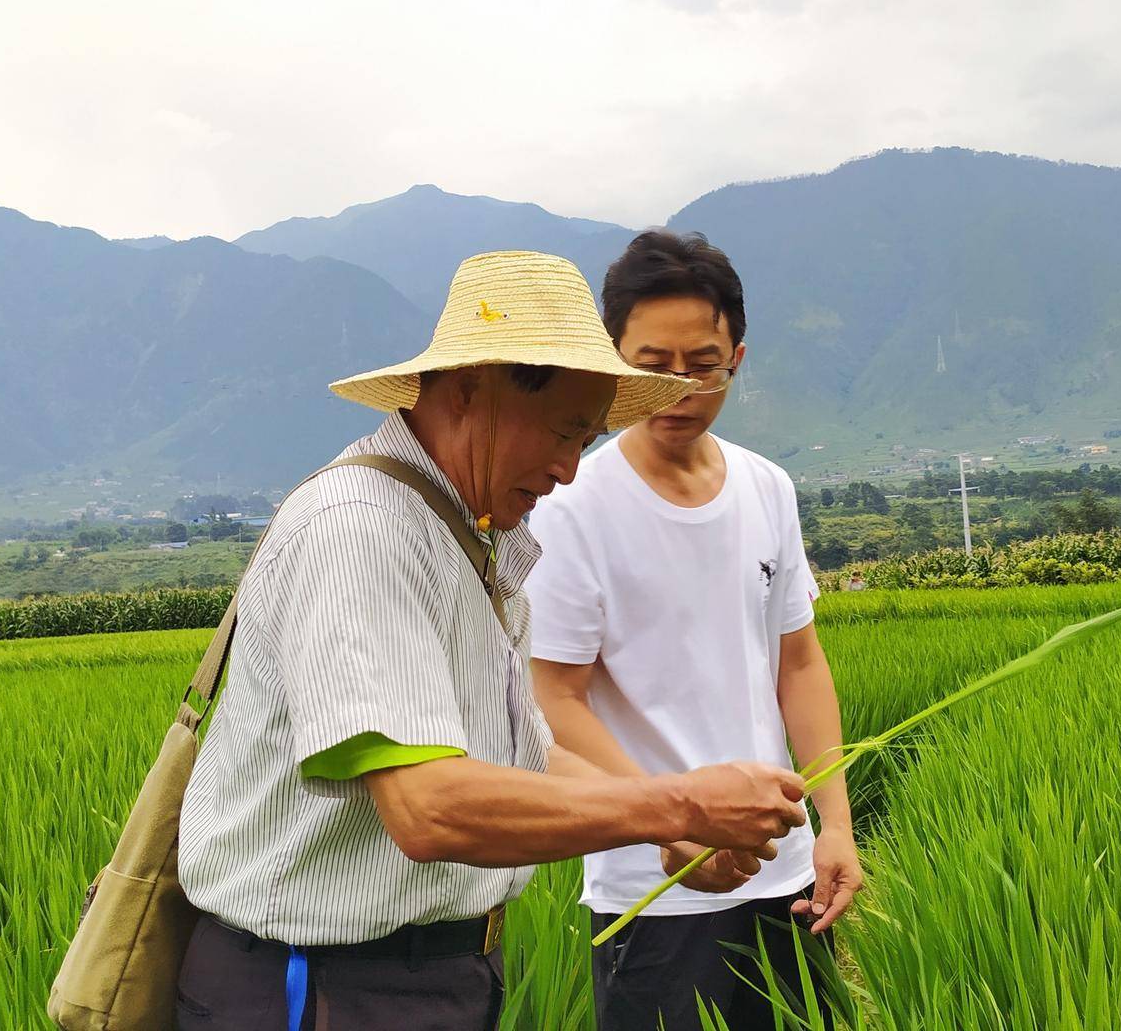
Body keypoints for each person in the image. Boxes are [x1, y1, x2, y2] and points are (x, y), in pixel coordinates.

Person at [173, 251, 811, 1030]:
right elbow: (429, 809)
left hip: (425, 976)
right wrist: (674, 803)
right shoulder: (365, 531)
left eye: (588, 437)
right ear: (472, 389)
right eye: (564, 432)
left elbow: (524, 747)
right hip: (321, 987)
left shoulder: (465, 535)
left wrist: (674, 824)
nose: (571, 470)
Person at [526, 231, 861, 1031]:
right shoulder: (573, 507)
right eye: (650, 366)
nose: (678, 387)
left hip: (785, 876)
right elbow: (555, 702)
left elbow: (800, 665)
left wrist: (837, 825)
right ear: (612, 361)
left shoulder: (766, 488)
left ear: (736, 358)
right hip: (656, 886)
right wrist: (670, 820)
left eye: (701, 364)